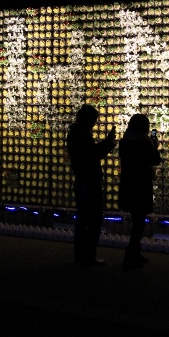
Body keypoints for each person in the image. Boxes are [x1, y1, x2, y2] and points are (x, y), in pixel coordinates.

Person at [66, 104, 117, 267]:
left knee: (83, 220)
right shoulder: (82, 135)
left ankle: (80, 255)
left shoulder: (75, 133)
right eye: (94, 119)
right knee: (93, 219)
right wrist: (109, 142)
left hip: (81, 181)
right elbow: (93, 155)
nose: (95, 122)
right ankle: (88, 255)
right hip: (89, 182)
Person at [118, 113, 161, 269]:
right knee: (138, 222)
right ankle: (130, 256)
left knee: (137, 220)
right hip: (140, 185)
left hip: (128, 184)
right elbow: (156, 160)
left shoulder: (124, 141)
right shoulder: (143, 142)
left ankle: (134, 252)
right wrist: (154, 146)